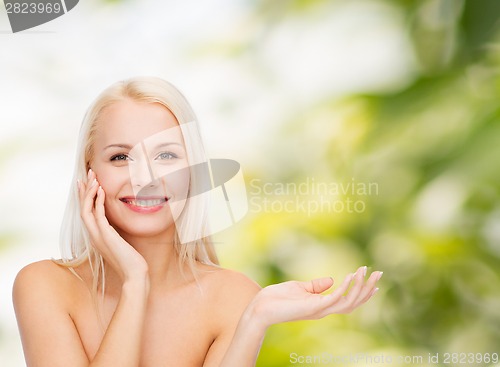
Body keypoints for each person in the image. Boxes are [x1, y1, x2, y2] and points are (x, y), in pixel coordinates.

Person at [12, 76, 383, 367]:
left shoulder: (232, 297)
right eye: (121, 157)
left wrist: (254, 320)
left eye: (167, 155)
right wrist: (135, 283)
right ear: (90, 171)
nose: (145, 179)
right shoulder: (43, 286)